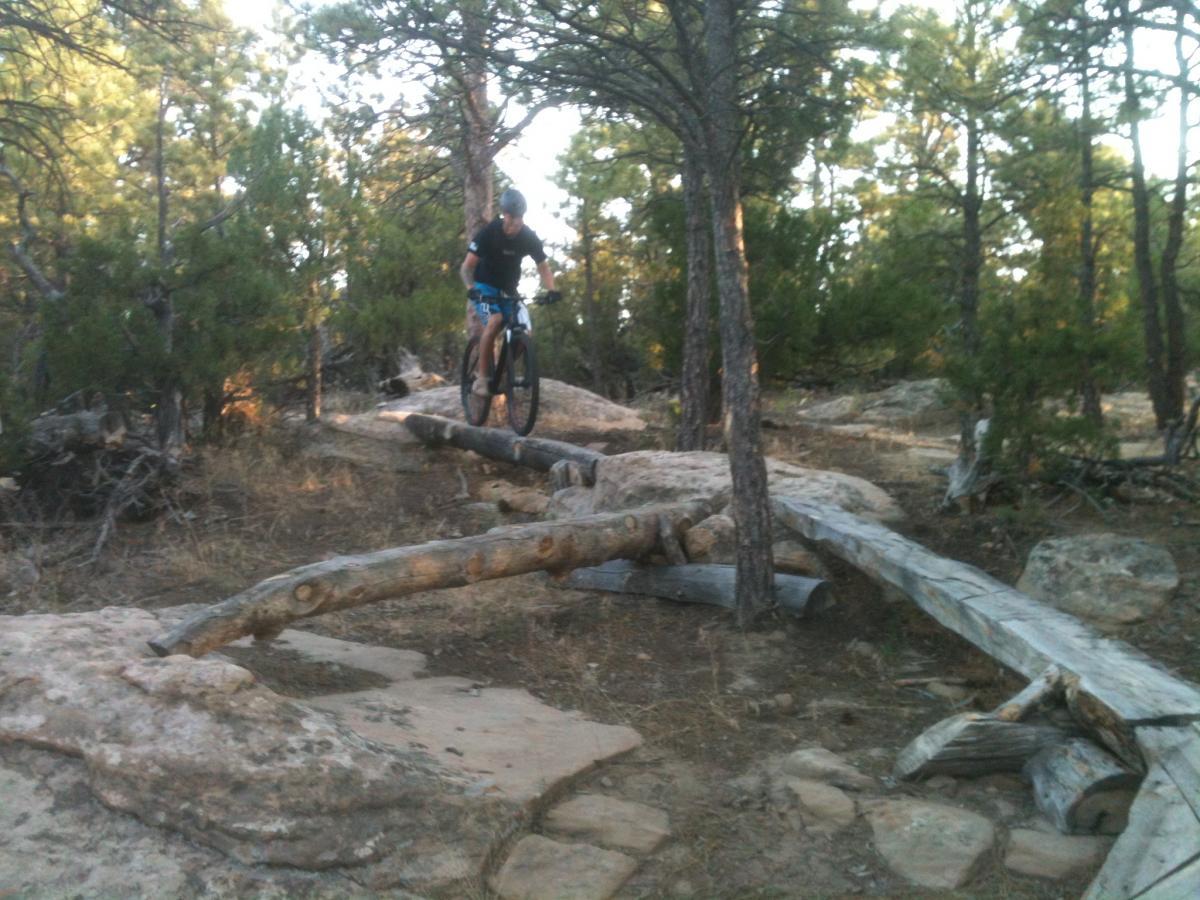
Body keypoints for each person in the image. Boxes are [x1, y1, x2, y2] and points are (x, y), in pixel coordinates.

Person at [459, 187, 560, 396]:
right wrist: (471, 289)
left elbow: (543, 265)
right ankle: (482, 378)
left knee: (525, 332)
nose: (516, 224)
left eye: (520, 219)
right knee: (495, 321)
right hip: (484, 287)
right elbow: (466, 267)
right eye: (512, 219)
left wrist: (551, 290)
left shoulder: (528, 236)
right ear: (504, 214)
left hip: (509, 290)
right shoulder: (489, 232)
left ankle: (503, 373)